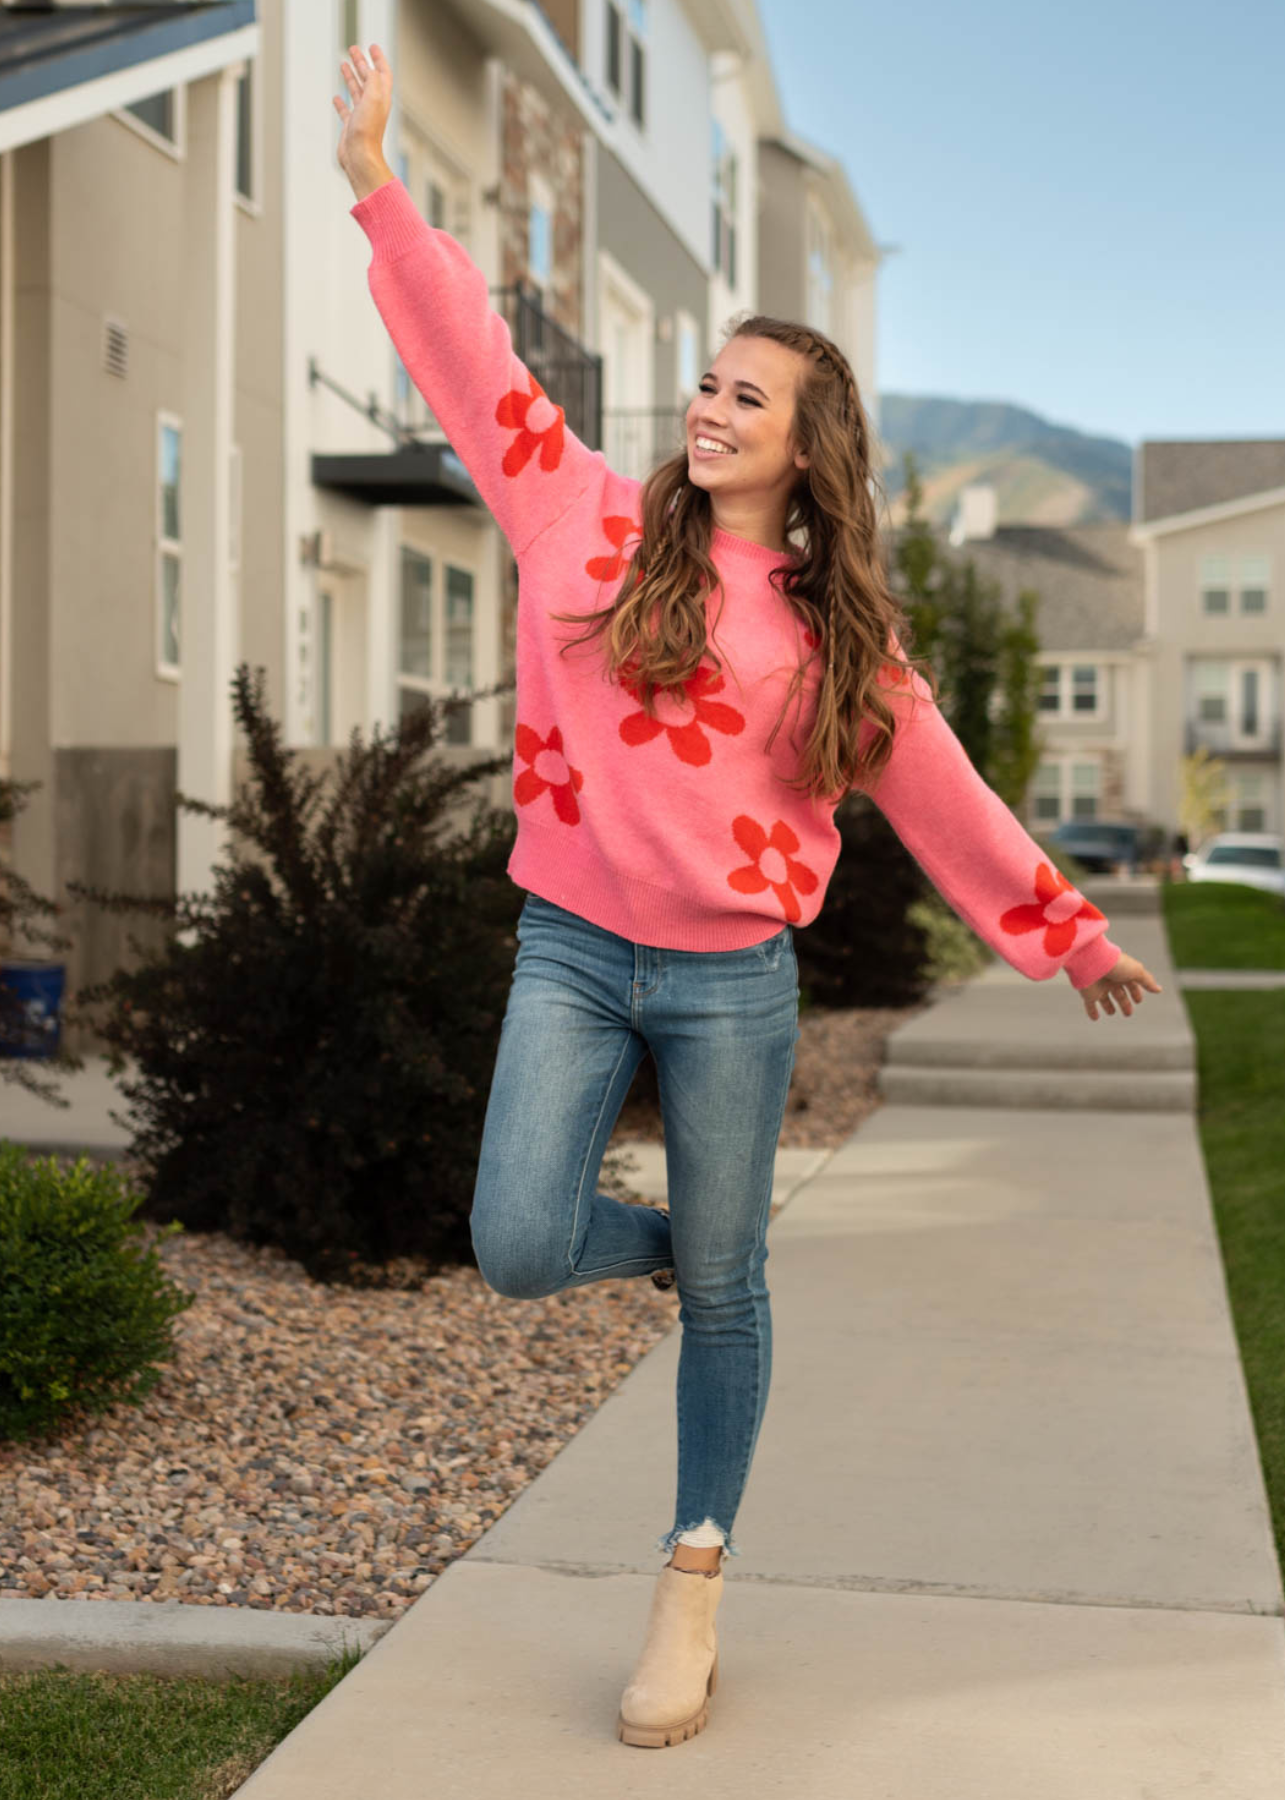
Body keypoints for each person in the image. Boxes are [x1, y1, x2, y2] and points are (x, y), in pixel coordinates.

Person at [334, 43, 1163, 1750]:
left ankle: (690, 1579)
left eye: (744, 400)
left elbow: (938, 791)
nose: (706, 409)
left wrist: (1064, 928)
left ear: (805, 449)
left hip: (729, 984)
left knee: (727, 1299)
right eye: (706, 384)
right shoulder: (574, 512)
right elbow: (466, 353)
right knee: (511, 1243)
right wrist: (370, 184)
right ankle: (696, 1257)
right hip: (568, 948)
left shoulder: (833, 638)